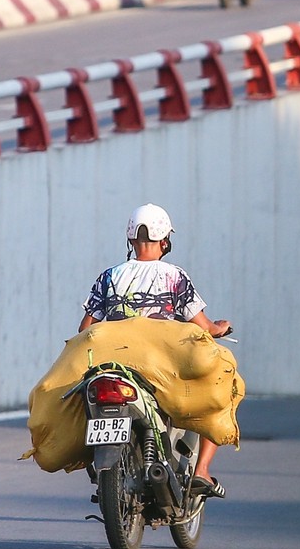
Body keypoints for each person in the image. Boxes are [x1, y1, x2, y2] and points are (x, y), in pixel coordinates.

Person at [79, 203, 233, 499]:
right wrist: (220, 327)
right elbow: (204, 327)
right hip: (161, 367)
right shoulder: (174, 276)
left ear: (131, 241)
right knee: (218, 389)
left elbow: (85, 328)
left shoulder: (108, 277)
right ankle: (201, 471)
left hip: (115, 365)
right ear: (165, 241)